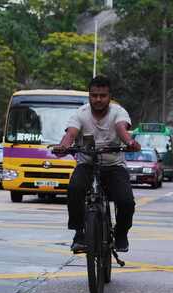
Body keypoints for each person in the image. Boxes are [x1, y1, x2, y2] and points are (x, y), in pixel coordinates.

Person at [55, 75, 141, 253]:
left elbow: (121, 129)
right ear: (89, 96)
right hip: (87, 163)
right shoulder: (81, 113)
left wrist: (130, 143)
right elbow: (71, 134)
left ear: (110, 96)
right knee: (74, 189)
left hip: (114, 166)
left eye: (102, 95)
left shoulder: (118, 112)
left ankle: (121, 233)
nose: (98, 99)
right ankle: (79, 233)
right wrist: (63, 146)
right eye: (94, 95)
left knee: (126, 202)